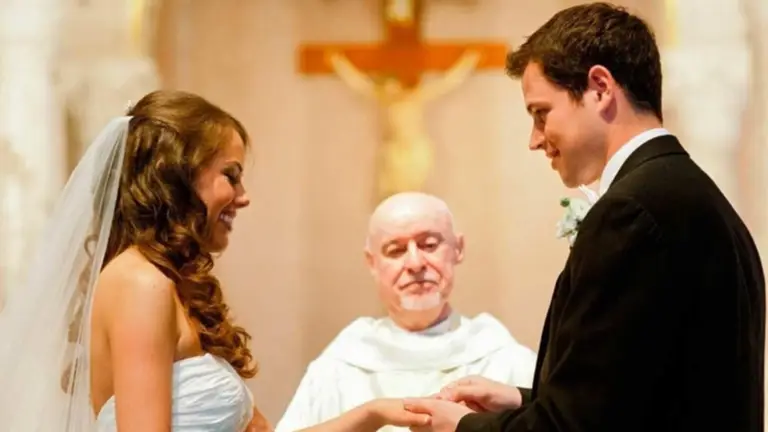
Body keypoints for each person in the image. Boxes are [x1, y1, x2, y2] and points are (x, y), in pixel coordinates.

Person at [402, 3, 765, 432]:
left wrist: (464, 426)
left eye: (541, 113)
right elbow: (631, 401)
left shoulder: (632, 213)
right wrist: (522, 400)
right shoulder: (693, 196)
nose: (535, 140)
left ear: (600, 88)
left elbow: (576, 428)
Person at [0, 90, 431, 432]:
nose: (243, 197)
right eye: (231, 175)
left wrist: (374, 413)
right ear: (178, 175)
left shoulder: (164, 283)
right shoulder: (140, 283)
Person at [276, 192, 537, 432]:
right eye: (396, 250)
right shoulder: (339, 364)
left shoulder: (505, 358)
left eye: (429, 245)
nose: (415, 263)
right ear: (372, 262)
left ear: (458, 248)